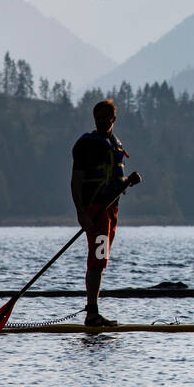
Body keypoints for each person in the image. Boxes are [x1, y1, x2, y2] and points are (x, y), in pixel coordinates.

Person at [71, 98, 142, 326]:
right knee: (97, 260)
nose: (101, 121)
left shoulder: (115, 144)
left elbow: (114, 181)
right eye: (98, 118)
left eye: (105, 118)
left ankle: (93, 312)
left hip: (111, 211)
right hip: (96, 211)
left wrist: (129, 182)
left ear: (113, 119)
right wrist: (81, 213)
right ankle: (92, 313)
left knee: (101, 260)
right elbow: (75, 181)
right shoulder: (87, 145)